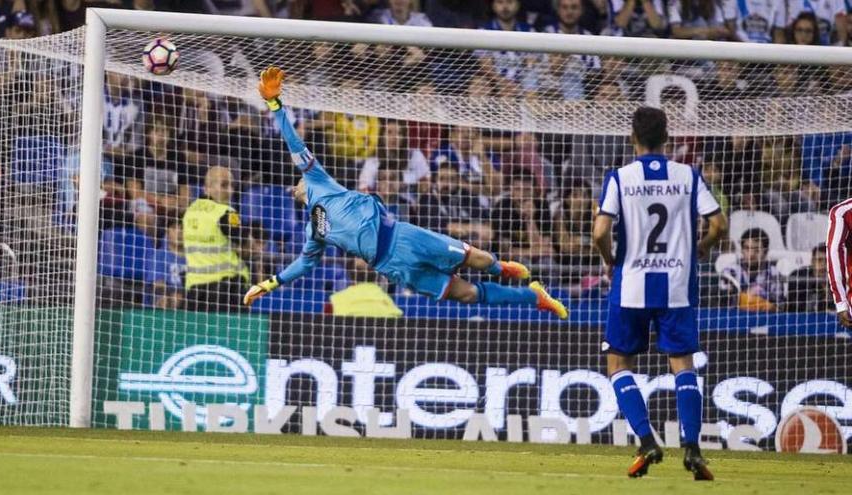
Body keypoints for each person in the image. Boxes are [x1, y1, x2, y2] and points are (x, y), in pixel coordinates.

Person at [243, 67, 568, 318]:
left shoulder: (318, 178)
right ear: (293, 193)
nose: (296, 181)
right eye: (294, 183)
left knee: (481, 260)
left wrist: (274, 103)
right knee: (467, 294)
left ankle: (502, 268)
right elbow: (303, 264)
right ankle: (535, 297)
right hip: (391, 265)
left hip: (404, 236)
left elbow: (294, 141)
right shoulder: (314, 230)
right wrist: (269, 284)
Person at [592, 107, 728, 480]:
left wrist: (610, 259)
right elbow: (719, 223)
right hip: (677, 286)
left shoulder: (620, 177)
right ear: (667, 137)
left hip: (631, 284)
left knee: (618, 365)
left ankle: (647, 441)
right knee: (682, 365)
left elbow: (600, 230)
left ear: (632, 137)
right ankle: (692, 448)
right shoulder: (688, 175)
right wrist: (702, 247)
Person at [183, 166, 251, 311]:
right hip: (225, 290)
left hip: (194, 288)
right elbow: (245, 246)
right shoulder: (227, 213)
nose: (230, 191)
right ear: (207, 187)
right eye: (224, 185)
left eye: (232, 185)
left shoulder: (190, 211)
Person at [721, 228, 785, 310]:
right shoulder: (730, 272)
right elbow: (724, 302)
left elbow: (778, 307)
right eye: (747, 249)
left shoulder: (774, 273)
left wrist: (758, 298)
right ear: (741, 250)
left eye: (757, 250)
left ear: (766, 252)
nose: (751, 255)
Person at [827, 198, 852, 328]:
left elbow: (835, 253)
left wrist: (841, 302)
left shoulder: (843, 211)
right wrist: (841, 301)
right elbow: (835, 253)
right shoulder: (844, 212)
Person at [786, 244, 833, 313]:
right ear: (812, 261)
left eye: (827, 261)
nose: (823, 264)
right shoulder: (799, 277)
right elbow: (797, 307)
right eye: (819, 260)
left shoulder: (837, 280)